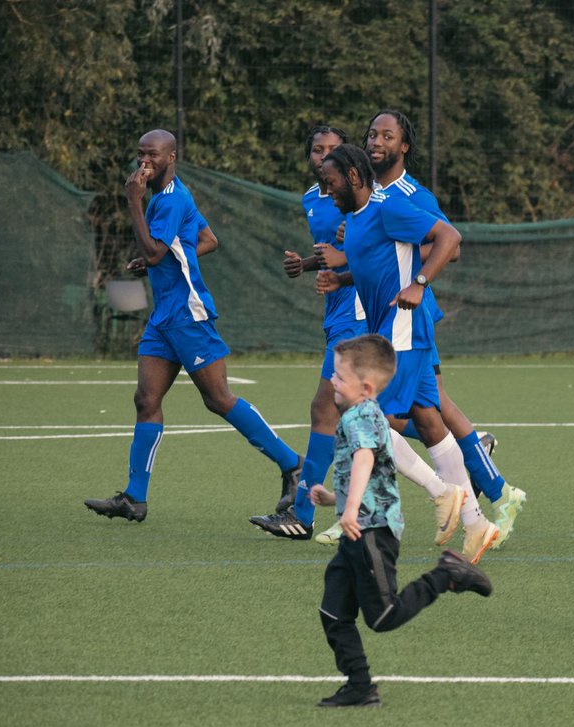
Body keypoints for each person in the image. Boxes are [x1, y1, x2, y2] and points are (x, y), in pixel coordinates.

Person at [85, 129, 302, 522]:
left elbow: (152, 252)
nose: (143, 163)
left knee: (218, 399)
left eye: (152, 156)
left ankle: (292, 464)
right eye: (140, 155)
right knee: (146, 400)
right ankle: (134, 497)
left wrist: (134, 205)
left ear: (171, 158)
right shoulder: (170, 195)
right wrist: (168, 255)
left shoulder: (170, 199)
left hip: (187, 313)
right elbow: (208, 239)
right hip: (164, 316)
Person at [317, 143, 501, 563]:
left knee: (362, 415)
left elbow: (449, 237)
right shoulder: (358, 219)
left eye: (331, 184)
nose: (328, 193)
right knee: (428, 421)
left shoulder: (387, 209)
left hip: (402, 332)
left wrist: (419, 282)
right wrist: (340, 279)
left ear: (354, 177)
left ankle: (441, 493)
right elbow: (376, 264)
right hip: (395, 332)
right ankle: (476, 527)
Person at [363, 109, 526, 549]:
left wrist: (416, 274)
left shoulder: (410, 193)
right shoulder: (371, 194)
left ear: (404, 146)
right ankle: (483, 503)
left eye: (387, 135)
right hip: (388, 314)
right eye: (372, 134)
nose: (376, 141)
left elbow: (448, 244)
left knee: (393, 417)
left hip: (411, 315)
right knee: (426, 413)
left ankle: (483, 495)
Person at [312, 334, 492, 708]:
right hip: (358, 529)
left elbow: (363, 459)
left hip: (372, 532)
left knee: (383, 616)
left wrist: (349, 508)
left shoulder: (362, 414)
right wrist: (337, 498)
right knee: (333, 611)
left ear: (364, 387)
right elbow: (374, 467)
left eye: (339, 376)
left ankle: (447, 574)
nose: (332, 380)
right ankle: (360, 686)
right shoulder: (364, 414)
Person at [248, 125, 367, 541]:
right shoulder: (312, 199)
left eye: (334, 150)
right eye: (318, 149)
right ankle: (468, 450)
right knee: (378, 414)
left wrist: (348, 245)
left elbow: (371, 248)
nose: (324, 156)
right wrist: (308, 264)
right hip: (336, 309)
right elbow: (332, 254)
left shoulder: (360, 195)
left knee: (326, 408)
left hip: (357, 311)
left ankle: (302, 513)